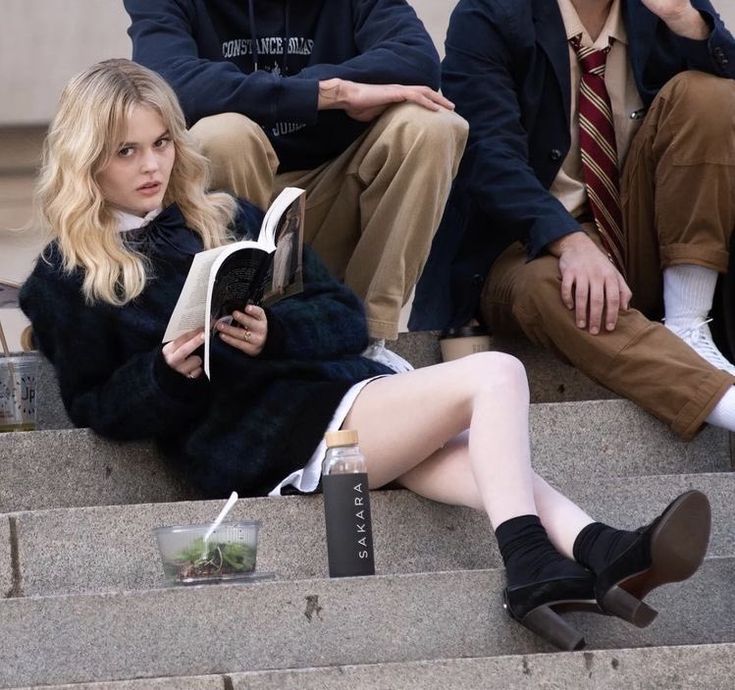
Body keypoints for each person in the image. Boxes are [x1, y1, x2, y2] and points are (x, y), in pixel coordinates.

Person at [20, 59, 710, 651]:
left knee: (460, 445)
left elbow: (343, 316)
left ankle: (596, 550)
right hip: (254, 440)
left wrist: (275, 333)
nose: (152, 165)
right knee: (495, 373)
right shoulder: (64, 277)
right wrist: (166, 373)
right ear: (86, 158)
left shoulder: (228, 216)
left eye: (161, 142)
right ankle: (531, 563)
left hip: (335, 395)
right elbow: (98, 407)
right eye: (126, 151)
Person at [411, 0, 735, 441]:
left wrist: (688, 23)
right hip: (528, 244)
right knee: (554, 288)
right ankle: (722, 401)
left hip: (644, 232)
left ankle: (687, 322)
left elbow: (723, 126)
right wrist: (568, 240)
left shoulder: (663, 8)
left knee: (710, 94)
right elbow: (486, 153)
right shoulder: (491, 13)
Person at [123, 0, 469, 371]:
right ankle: (234, 329)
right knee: (223, 135)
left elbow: (417, 62)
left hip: (335, 198)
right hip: (236, 206)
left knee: (434, 128)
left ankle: (363, 339)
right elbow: (168, 86)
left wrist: (276, 92)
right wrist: (331, 93)